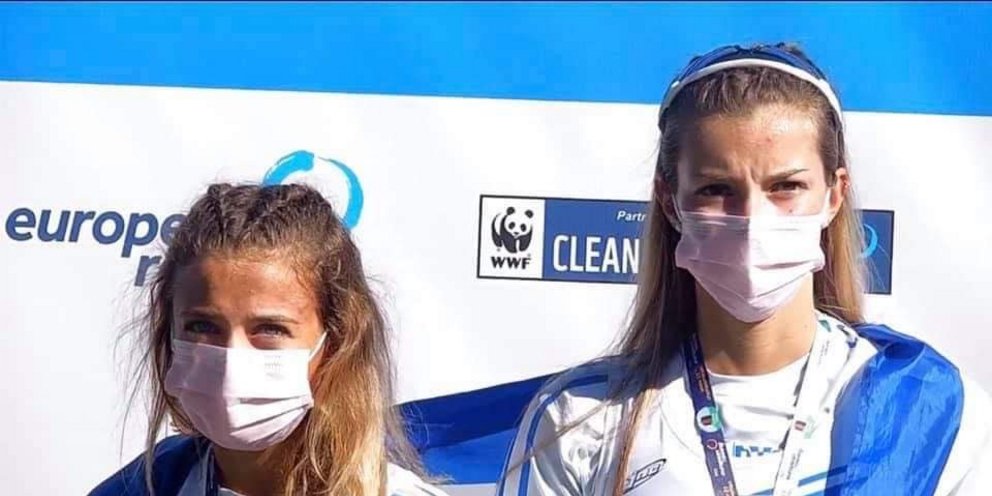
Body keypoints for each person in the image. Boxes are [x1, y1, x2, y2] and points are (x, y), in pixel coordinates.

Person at [498, 43, 992, 495]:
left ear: (834, 195)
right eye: (716, 190)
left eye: (786, 186)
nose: (752, 220)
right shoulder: (581, 419)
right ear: (670, 202)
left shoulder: (934, 408)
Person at [90, 184, 447, 496]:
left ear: (336, 342)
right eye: (202, 326)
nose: (230, 359)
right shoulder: (148, 484)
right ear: (169, 331)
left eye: (270, 329)